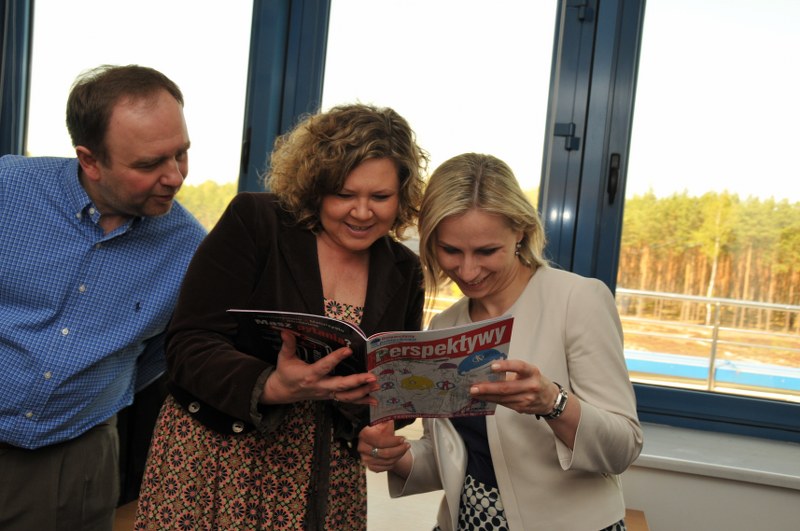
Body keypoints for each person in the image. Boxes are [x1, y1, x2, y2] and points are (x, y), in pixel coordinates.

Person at [134, 103, 428, 530]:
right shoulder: (256, 222)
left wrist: (380, 427)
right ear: (315, 186)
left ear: (401, 195)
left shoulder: (404, 268)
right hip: (218, 461)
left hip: (326, 474)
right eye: (344, 194)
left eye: (380, 197)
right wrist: (270, 385)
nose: (363, 212)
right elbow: (188, 344)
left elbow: (395, 392)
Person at [358, 153, 643, 531]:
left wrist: (553, 402)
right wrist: (394, 456)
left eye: (486, 251)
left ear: (520, 231)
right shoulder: (445, 324)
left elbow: (623, 448)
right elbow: (450, 458)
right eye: (450, 251)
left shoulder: (577, 300)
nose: (468, 270)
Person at [0, 64, 207, 530]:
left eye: (181, 154)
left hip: (72, 461)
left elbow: (158, 357)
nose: (175, 177)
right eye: (149, 164)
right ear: (90, 160)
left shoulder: (190, 250)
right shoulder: (7, 189)